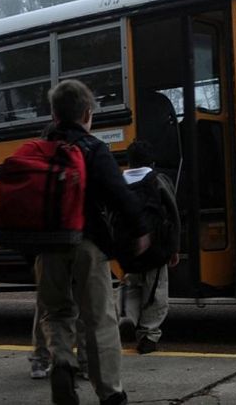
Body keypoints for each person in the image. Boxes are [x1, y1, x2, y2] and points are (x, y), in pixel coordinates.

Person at [36, 79, 150, 405]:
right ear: (87, 113)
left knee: (55, 313)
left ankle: (61, 363)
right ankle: (111, 393)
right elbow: (119, 194)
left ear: (55, 115)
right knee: (99, 319)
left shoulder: (40, 150)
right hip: (87, 243)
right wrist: (140, 230)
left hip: (47, 247)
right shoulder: (93, 148)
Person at [117, 140, 180, 354]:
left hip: (129, 250)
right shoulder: (158, 180)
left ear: (129, 160)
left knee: (132, 286)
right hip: (156, 248)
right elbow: (172, 214)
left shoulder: (119, 182)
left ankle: (127, 318)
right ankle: (149, 336)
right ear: (151, 161)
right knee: (155, 291)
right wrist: (173, 248)